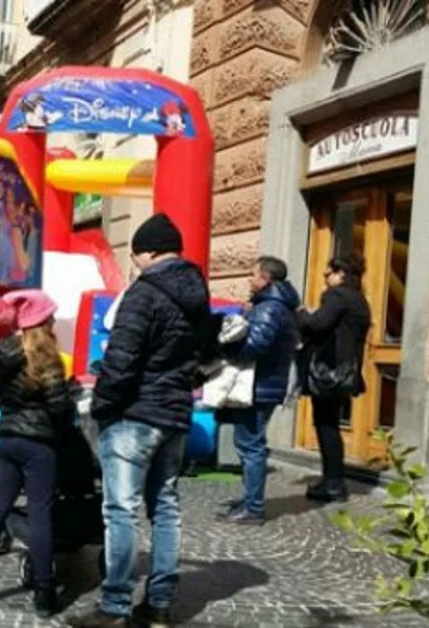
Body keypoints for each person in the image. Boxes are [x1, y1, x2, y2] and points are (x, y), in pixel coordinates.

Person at [71, 214, 213, 628]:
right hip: (175, 413)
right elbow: (204, 355)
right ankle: (160, 604)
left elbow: (121, 361)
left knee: (121, 510)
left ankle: (114, 606)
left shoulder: (144, 292)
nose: (133, 264)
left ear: (147, 252)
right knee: (165, 508)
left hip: (134, 415)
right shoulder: (197, 292)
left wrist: (102, 407)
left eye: (134, 256)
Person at [0, 290, 72, 619]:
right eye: (50, 316)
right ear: (42, 320)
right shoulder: (47, 354)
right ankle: (45, 591)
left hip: (8, 438)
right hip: (40, 443)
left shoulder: (2, 350)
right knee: (40, 512)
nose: (53, 321)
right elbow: (58, 408)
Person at [217, 256, 300, 526]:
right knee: (249, 444)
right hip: (264, 384)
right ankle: (250, 500)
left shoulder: (270, 308)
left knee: (251, 445)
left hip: (259, 386)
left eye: (253, 275)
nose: (250, 280)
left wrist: (227, 344)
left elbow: (254, 346)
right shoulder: (275, 306)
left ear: (266, 278)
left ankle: (253, 507)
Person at [299, 253, 371, 503]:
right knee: (330, 424)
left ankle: (333, 483)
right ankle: (333, 480)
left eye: (328, 273)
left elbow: (318, 324)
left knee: (326, 425)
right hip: (347, 371)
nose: (325, 278)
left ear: (341, 274)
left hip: (330, 371)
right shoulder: (360, 300)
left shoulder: (337, 296)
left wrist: (302, 314)